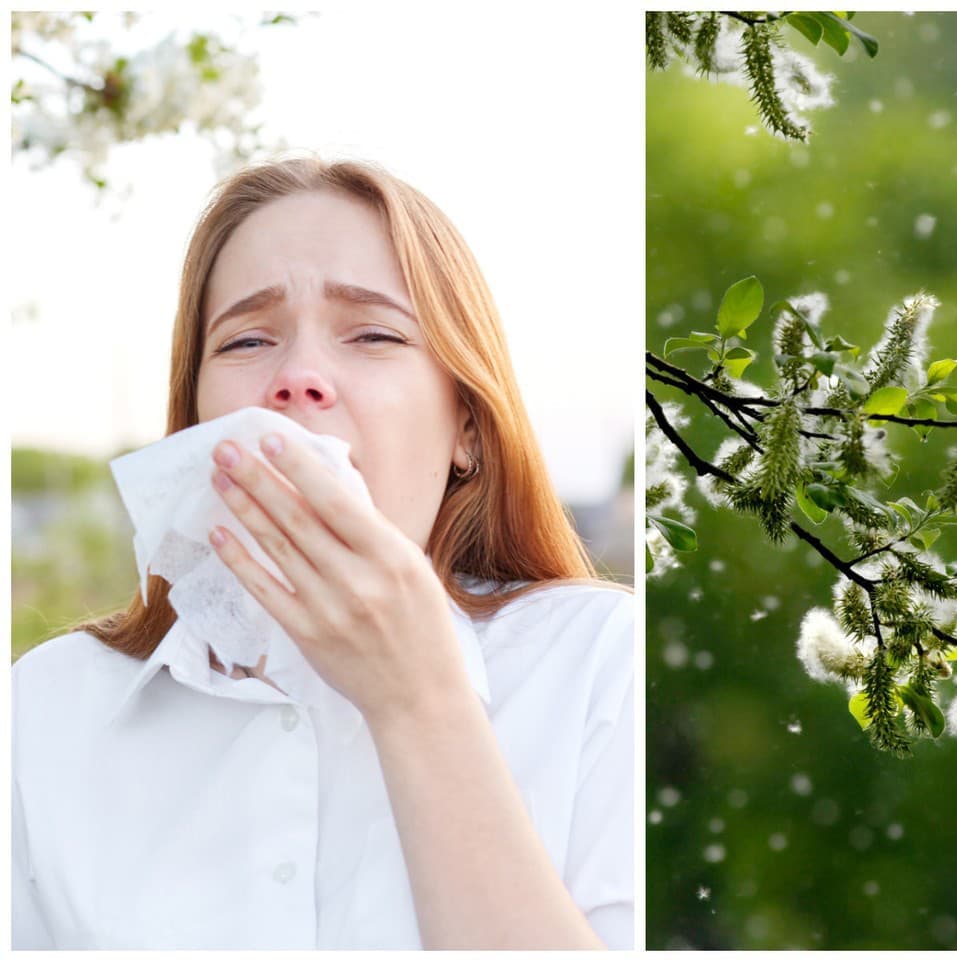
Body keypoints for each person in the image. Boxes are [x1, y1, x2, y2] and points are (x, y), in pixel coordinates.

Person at [11, 154, 634, 950]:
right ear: (195, 415)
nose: (299, 377)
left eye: (373, 334)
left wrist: (417, 702)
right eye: (246, 341)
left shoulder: (600, 666)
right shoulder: (43, 711)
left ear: (467, 430)